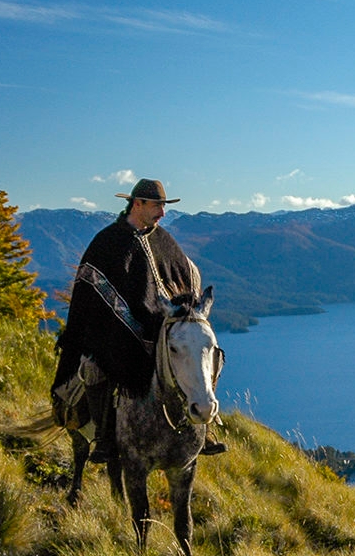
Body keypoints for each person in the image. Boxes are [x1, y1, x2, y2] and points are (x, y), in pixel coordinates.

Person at [51, 177, 225, 461]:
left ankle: (205, 427)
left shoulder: (162, 240)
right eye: (157, 205)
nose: (163, 213)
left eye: (164, 206)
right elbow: (90, 290)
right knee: (95, 367)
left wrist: (180, 313)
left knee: (209, 354)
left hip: (165, 331)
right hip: (115, 334)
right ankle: (104, 438)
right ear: (138, 204)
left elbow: (185, 279)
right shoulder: (108, 241)